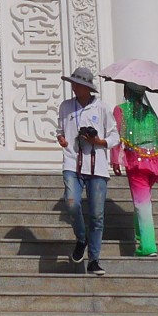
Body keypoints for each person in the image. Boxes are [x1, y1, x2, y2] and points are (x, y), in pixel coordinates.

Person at [55, 66, 118, 275]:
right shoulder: (65, 107)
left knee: (97, 215)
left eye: (77, 84)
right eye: (72, 83)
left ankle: (94, 259)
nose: (73, 87)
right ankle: (81, 239)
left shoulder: (102, 108)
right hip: (72, 162)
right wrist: (62, 139)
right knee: (71, 203)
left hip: (96, 165)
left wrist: (98, 141)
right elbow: (60, 131)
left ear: (87, 87)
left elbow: (115, 136)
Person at [111, 82, 158, 257]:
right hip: (154, 161)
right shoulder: (149, 112)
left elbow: (116, 135)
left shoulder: (120, 110)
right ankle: (141, 239)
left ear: (126, 91)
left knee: (142, 203)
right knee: (142, 201)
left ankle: (148, 246)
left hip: (136, 162)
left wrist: (115, 160)